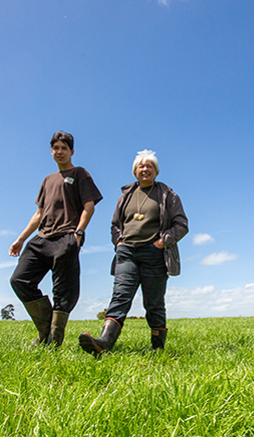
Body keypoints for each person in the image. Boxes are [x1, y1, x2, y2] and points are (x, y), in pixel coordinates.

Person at [79, 149, 188, 355]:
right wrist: (119, 242)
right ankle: (104, 343)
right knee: (120, 296)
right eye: (141, 166)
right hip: (127, 253)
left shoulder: (167, 195)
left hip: (154, 254)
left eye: (149, 166)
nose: (144, 169)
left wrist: (161, 243)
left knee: (153, 302)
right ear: (134, 171)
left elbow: (181, 224)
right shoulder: (126, 195)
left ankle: (157, 349)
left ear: (156, 171)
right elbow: (115, 225)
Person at [9, 131, 102, 348]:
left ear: (71, 151)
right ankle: (45, 333)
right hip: (42, 238)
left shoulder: (80, 174)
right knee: (19, 280)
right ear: (51, 151)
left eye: (64, 148)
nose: (59, 152)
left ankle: (53, 342)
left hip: (67, 236)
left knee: (63, 291)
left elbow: (89, 206)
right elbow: (39, 214)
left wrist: (78, 233)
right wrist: (21, 239)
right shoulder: (47, 180)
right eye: (56, 148)